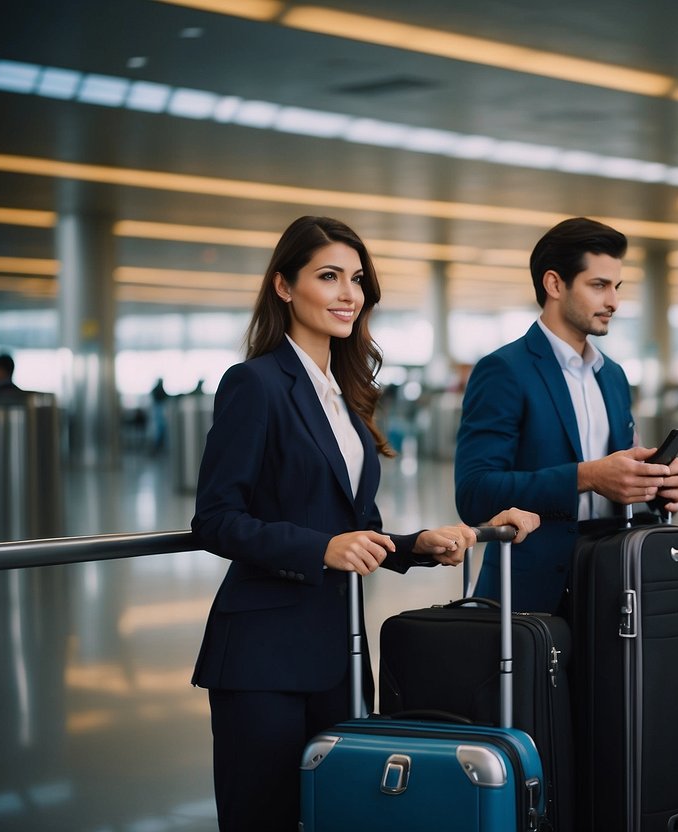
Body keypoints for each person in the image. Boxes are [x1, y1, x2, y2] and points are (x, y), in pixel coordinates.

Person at [189, 215, 540, 832]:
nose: (349, 293)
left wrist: (416, 546)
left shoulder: (344, 393)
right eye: (329, 276)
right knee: (264, 818)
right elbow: (217, 521)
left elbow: (354, 525)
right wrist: (321, 547)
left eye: (356, 279)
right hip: (263, 656)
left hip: (339, 647)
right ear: (283, 286)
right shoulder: (256, 384)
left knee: (342, 813)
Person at [454, 217, 678, 615]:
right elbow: (475, 493)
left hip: (609, 587)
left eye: (617, 287)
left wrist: (655, 487)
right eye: (598, 286)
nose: (613, 301)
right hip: (529, 594)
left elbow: (617, 486)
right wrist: (588, 476)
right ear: (554, 285)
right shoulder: (505, 370)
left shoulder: (612, 376)